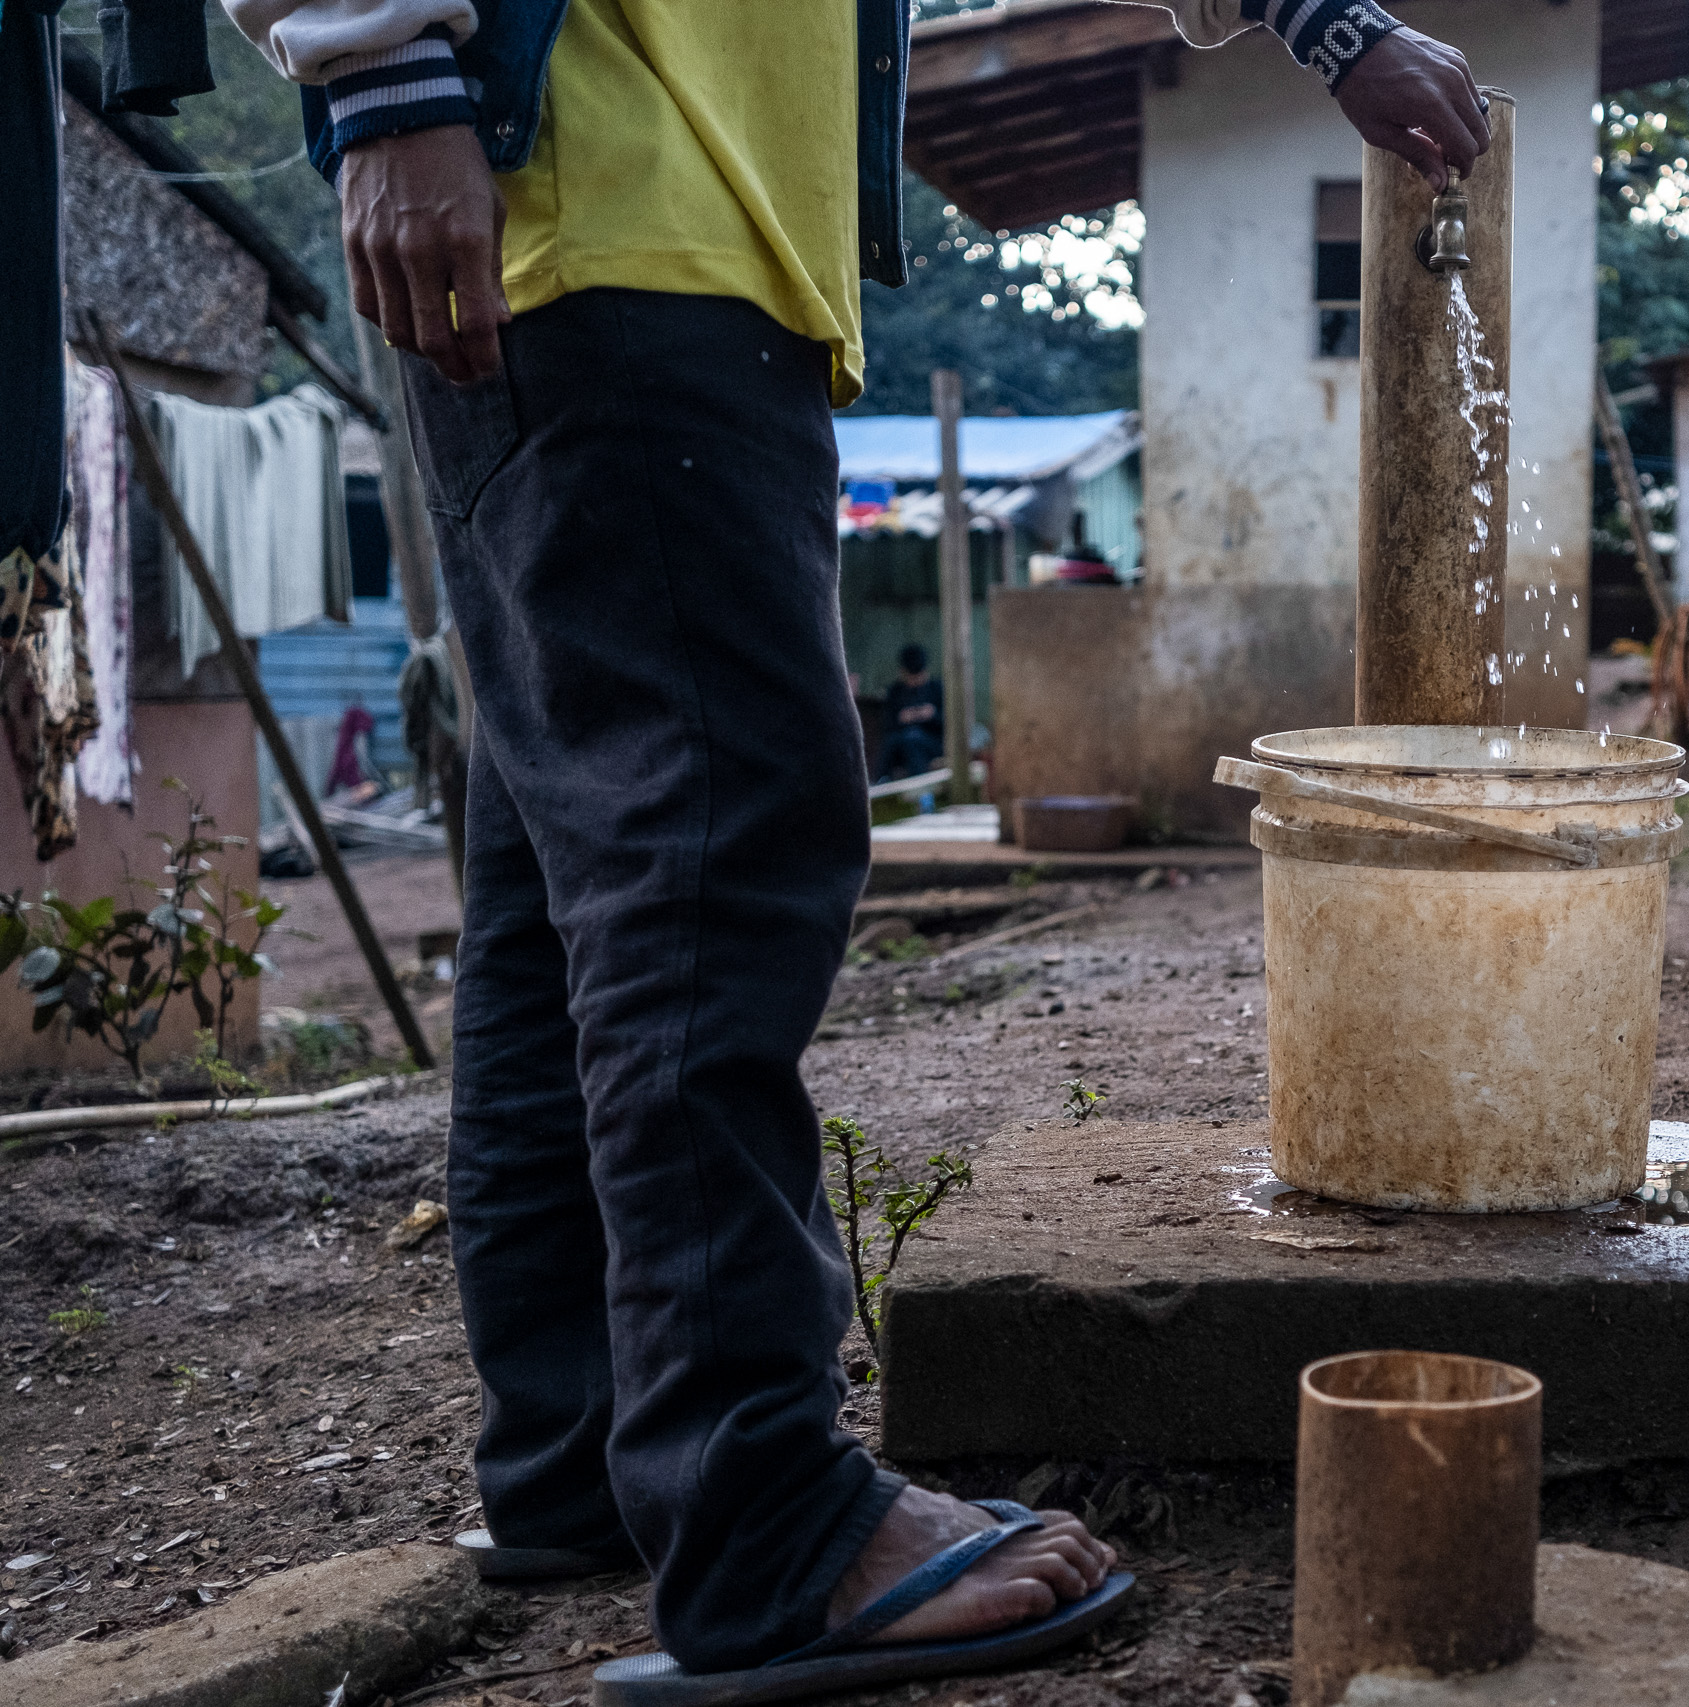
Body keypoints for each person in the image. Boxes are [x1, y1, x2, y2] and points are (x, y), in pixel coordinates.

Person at [219, 0, 1490, 1694]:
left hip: (619, 220)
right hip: (620, 196)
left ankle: (585, 1455)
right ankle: (761, 1522)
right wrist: (384, 73)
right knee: (709, 840)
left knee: (563, 870)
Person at [876, 642, 943, 783]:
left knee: (912, 739)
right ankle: (880, 782)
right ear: (903, 673)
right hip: (901, 741)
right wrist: (902, 718)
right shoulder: (896, 691)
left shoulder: (937, 688)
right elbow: (887, 725)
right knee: (893, 742)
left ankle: (919, 788)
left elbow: (949, 725)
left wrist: (932, 715)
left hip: (932, 743)